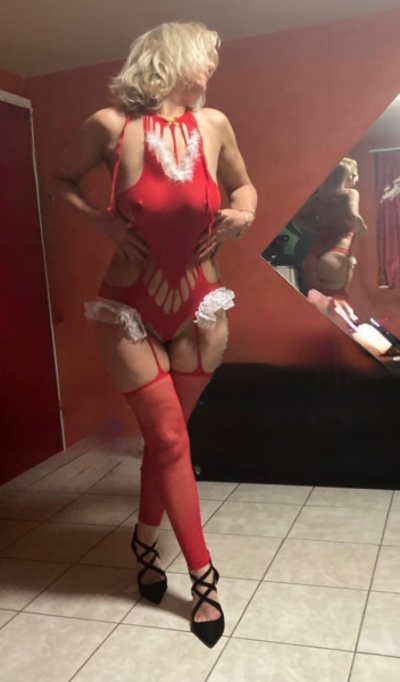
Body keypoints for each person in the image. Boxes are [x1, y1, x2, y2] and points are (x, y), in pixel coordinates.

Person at [48, 21, 257, 648]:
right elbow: (60, 182)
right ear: (177, 59)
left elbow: (244, 185)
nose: (212, 70)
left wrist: (245, 213)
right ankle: (203, 580)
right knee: (168, 439)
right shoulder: (110, 125)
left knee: (168, 443)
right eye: (207, 58)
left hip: (201, 309)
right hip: (128, 312)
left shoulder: (214, 124)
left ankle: (144, 539)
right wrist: (103, 224)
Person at [294, 159, 367, 321]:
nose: (357, 178)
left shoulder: (318, 199)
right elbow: (353, 215)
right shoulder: (350, 193)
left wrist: (314, 228)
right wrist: (362, 229)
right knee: (338, 305)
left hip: (313, 256)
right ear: (345, 178)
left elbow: (297, 218)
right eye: (354, 175)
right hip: (336, 255)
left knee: (315, 307)